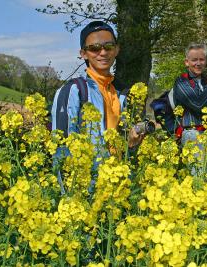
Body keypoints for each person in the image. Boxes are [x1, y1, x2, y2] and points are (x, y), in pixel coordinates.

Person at [51, 21, 143, 193]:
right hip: (86, 188)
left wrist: (131, 144)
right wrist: (72, 196)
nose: (103, 52)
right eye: (94, 48)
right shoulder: (73, 91)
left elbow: (123, 144)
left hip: (119, 184)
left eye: (109, 46)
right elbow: (61, 149)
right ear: (83, 54)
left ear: (117, 50)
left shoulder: (123, 93)